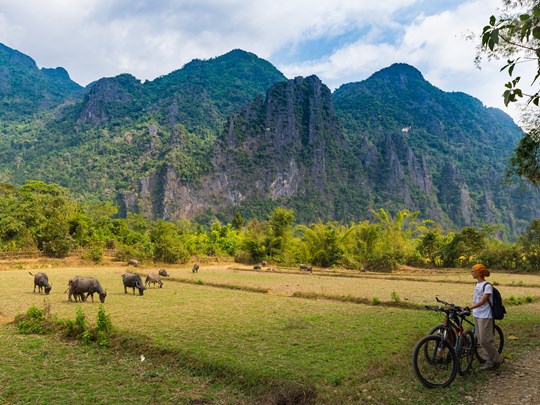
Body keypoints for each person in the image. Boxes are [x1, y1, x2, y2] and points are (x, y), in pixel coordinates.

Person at [466, 263, 504, 370]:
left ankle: (498, 359)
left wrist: (470, 307)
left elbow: (482, 301)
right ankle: (489, 361)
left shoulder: (487, 286)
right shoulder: (477, 285)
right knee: (480, 338)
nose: (471, 272)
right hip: (477, 315)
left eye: (473, 271)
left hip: (485, 315)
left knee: (484, 340)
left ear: (479, 273)